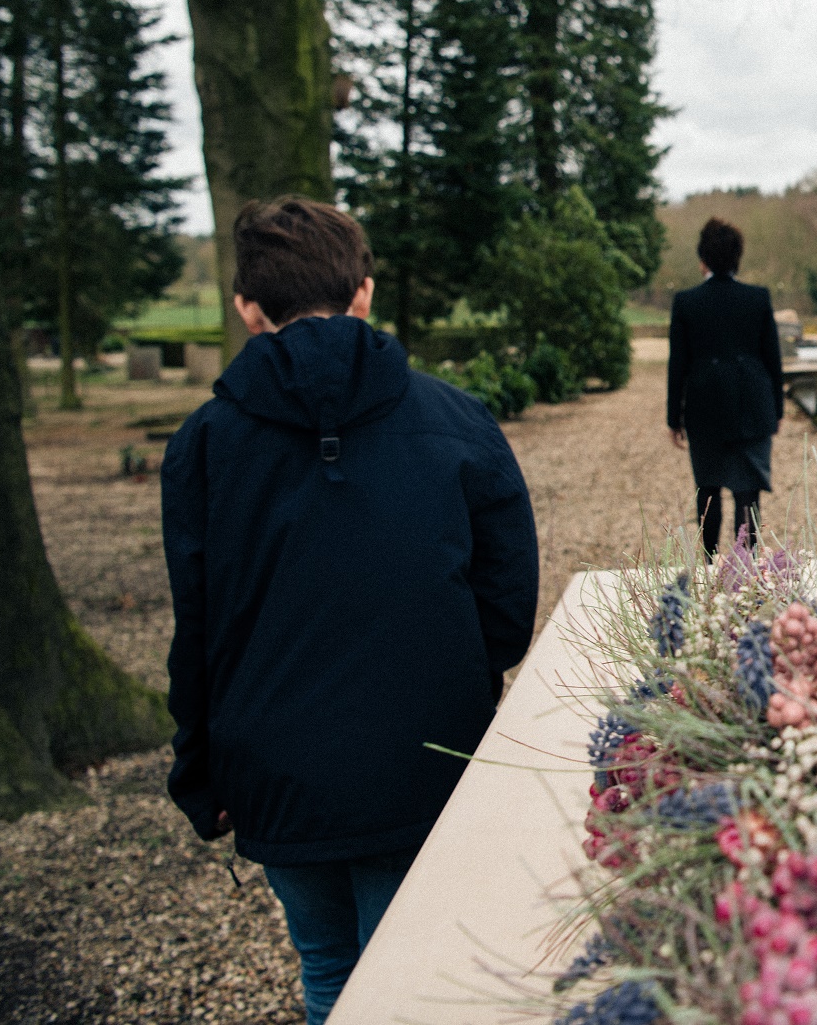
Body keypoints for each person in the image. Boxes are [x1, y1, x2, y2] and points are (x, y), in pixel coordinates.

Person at [161, 198, 538, 1025]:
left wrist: (200, 766)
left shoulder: (204, 443)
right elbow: (507, 607)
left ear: (248, 308)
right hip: (425, 750)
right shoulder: (459, 421)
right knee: (415, 984)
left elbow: (200, 631)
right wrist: (458, 680)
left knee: (332, 970)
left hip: (275, 761)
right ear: (364, 292)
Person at [668, 218, 784, 559]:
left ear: (702, 258)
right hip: (753, 406)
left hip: (704, 409)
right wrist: (776, 410)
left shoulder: (686, 302)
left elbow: (679, 365)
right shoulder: (757, 298)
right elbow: (772, 360)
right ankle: (745, 576)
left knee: (707, 490)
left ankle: (708, 566)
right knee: (748, 494)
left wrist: (673, 417)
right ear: (738, 258)